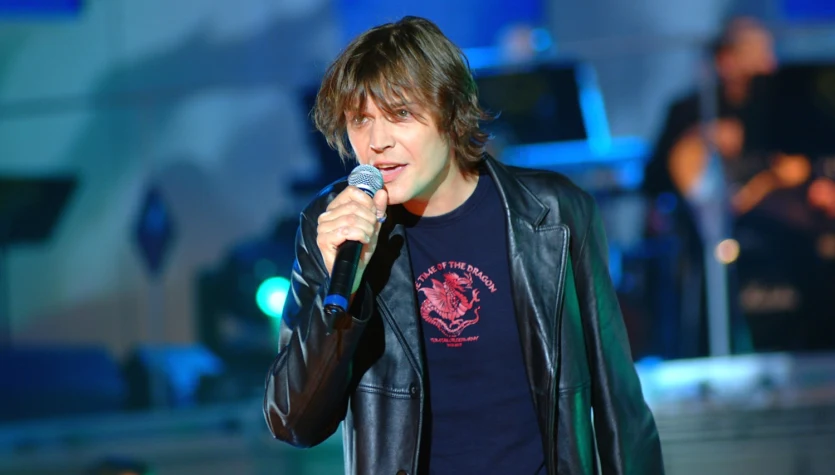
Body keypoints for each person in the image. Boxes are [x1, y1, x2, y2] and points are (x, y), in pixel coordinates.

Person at [263, 16, 664, 475]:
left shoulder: (554, 214)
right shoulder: (334, 223)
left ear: (450, 109)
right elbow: (293, 422)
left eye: (400, 114)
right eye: (360, 120)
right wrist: (342, 294)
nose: (377, 142)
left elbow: (619, 404)